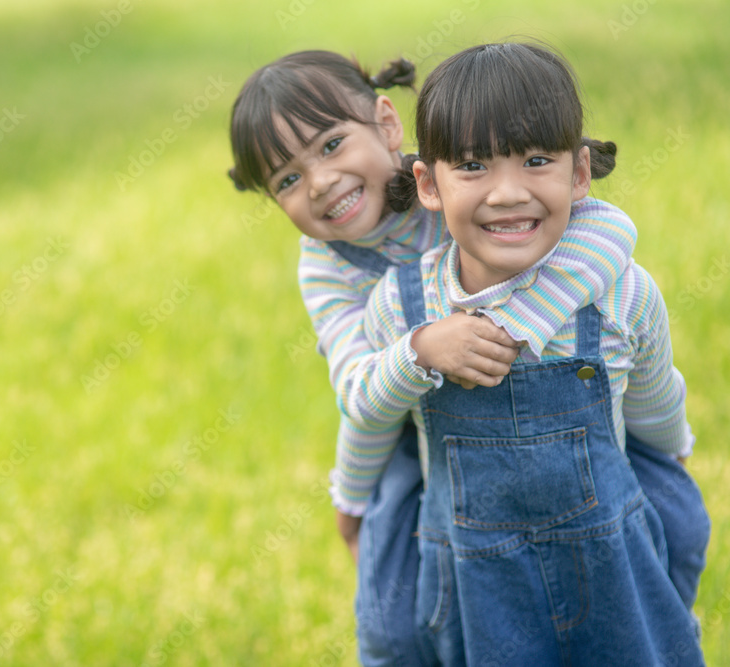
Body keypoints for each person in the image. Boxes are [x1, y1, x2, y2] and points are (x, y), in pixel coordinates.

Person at [227, 49, 710, 666]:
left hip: (563, 398)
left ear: (386, 123)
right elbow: (360, 398)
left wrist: (512, 323)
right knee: (393, 613)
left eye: (329, 147)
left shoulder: (471, 172)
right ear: (432, 186)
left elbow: (607, 233)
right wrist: (356, 482)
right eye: (287, 180)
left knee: (676, 525)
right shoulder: (330, 266)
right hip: (412, 416)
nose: (319, 183)